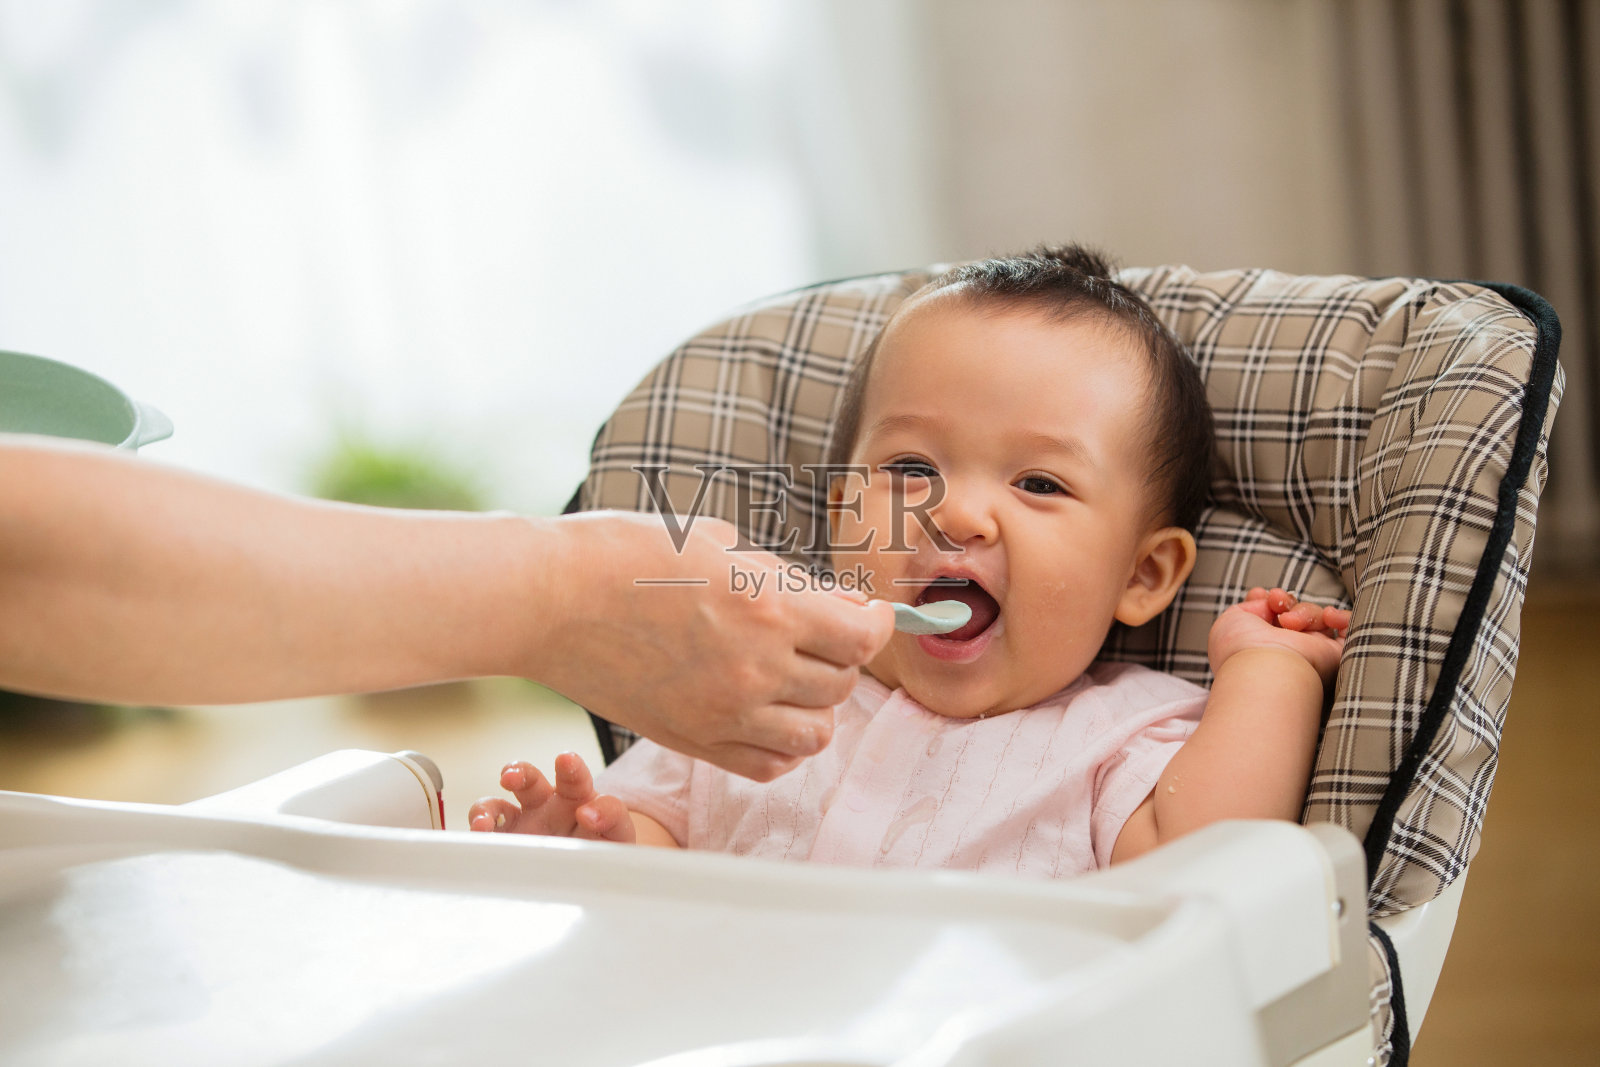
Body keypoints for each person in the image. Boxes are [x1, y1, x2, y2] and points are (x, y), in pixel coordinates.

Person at [468, 245, 1350, 874]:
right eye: (911, 469)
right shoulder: (753, 688)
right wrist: (594, 847)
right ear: (842, 515)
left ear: (1142, 575)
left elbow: (1212, 865)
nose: (956, 512)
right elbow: (658, 849)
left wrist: (1268, 670)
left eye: (1039, 482)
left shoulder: (1118, 738)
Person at [0, 437, 893, 782]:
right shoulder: (712, 757)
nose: (952, 513)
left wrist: (568, 595)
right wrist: (568, 598)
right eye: (913, 470)